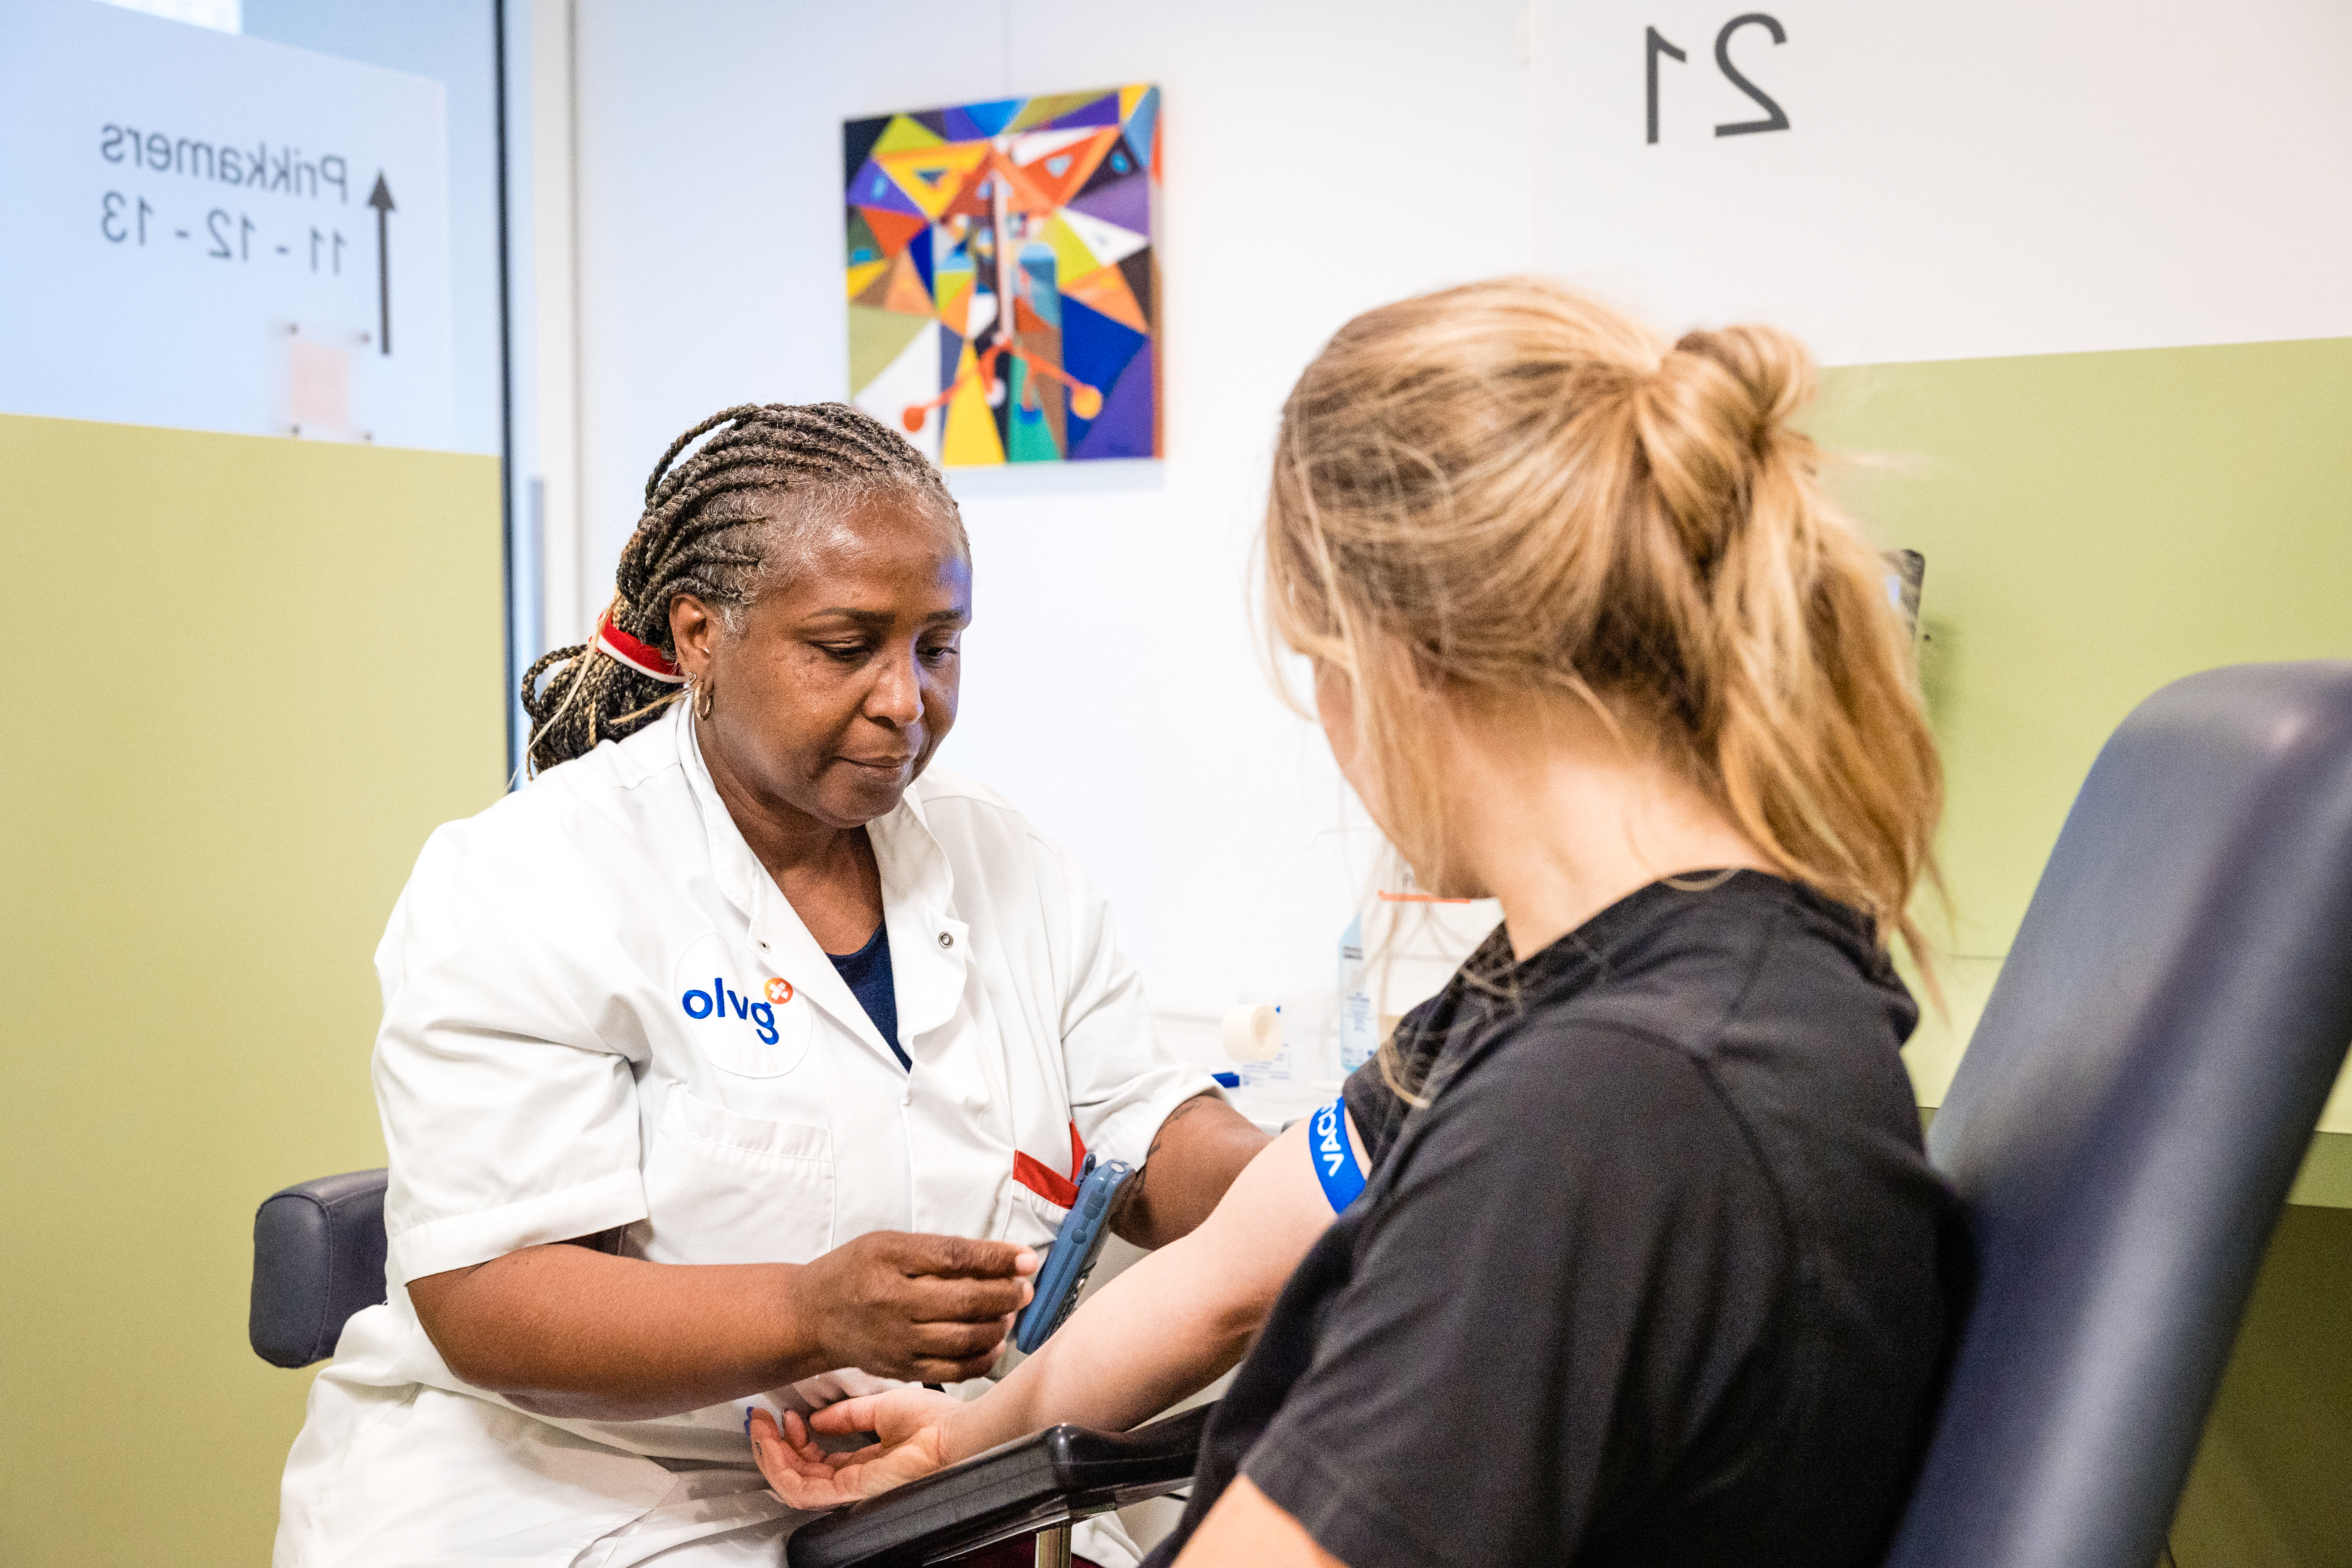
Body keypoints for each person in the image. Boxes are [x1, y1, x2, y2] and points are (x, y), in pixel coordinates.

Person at [750, 280, 1962, 1568]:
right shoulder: (1624, 972)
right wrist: (981, 1432)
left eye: (1316, 667)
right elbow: (1234, 1271)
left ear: (1396, 655)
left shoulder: (1608, 1113)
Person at [273, 403, 1268, 1568]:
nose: (907, 701)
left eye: (937, 648)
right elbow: (491, 1297)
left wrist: (1321, 1173)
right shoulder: (533, 875)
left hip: (911, 1473)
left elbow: (1142, 1135)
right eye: (848, 649)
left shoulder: (1004, 862)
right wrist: (811, 1311)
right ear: (701, 636)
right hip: (575, 1491)